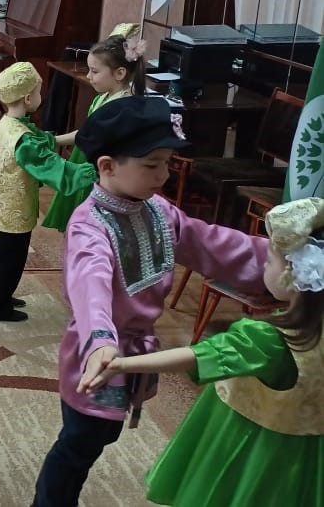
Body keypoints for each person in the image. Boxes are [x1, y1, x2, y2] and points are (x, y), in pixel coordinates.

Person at [31, 96, 271, 507]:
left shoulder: (158, 210)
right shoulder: (90, 225)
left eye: (167, 163)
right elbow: (90, 284)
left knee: (99, 434)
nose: (164, 175)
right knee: (78, 444)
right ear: (107, 166)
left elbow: (212, 244)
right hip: (98, 356)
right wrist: (101, 340)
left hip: (133, 353)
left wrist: (283, 261)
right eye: (151, 164)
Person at [81, 197, 324, 506]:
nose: (263, 265)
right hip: (308, 455)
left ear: (292, 273)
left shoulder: (267, 338)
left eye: (269, 261)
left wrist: (122, 364)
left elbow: (198, 355)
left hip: (253, 445)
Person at [0, 62, 98, 322]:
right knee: (11, 259)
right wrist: (90, 171)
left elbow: (38, 139)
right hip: (14, 209)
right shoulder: (23, 139)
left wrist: (71, 137)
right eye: (38, 92)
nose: (40, 96)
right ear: (27, 98)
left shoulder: (8, 123)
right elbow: (51, 166)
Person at [42, 23, 146, 231]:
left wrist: (52, 140)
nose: (88, 76)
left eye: (94, 71)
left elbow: (88, 136)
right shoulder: (104, 97)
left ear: (119, 73)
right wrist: (51, 139)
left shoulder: (121, 107)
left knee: (92, 224)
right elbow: (86, 132)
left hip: (99, 172)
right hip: (85, 160)